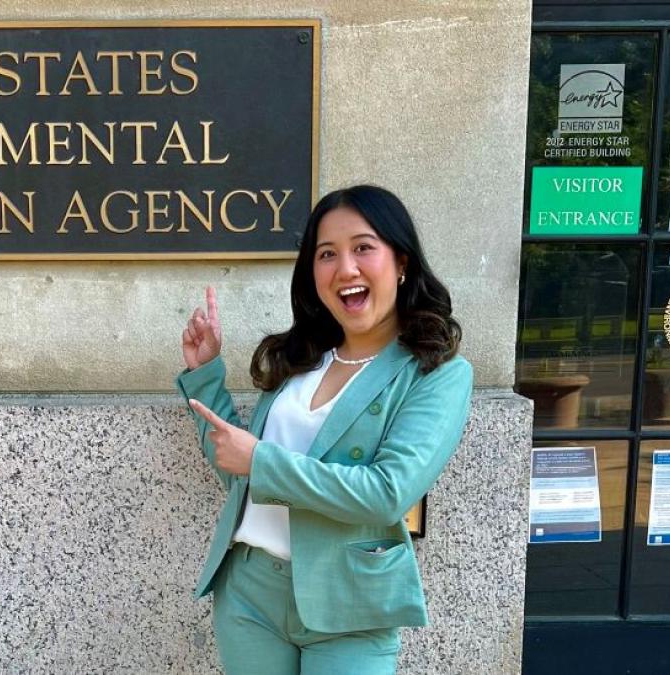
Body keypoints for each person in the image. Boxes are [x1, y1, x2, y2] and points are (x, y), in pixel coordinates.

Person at [175, 185, 473, 675]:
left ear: (400, 262)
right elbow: (243, 472)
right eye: (327, 254)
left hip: (349, 602)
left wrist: (260, 461)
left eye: (363, 248)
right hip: (250, 594)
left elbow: (386, 493)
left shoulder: (434, 371)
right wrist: (206, 375)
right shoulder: (300, 358)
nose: (346, 268)